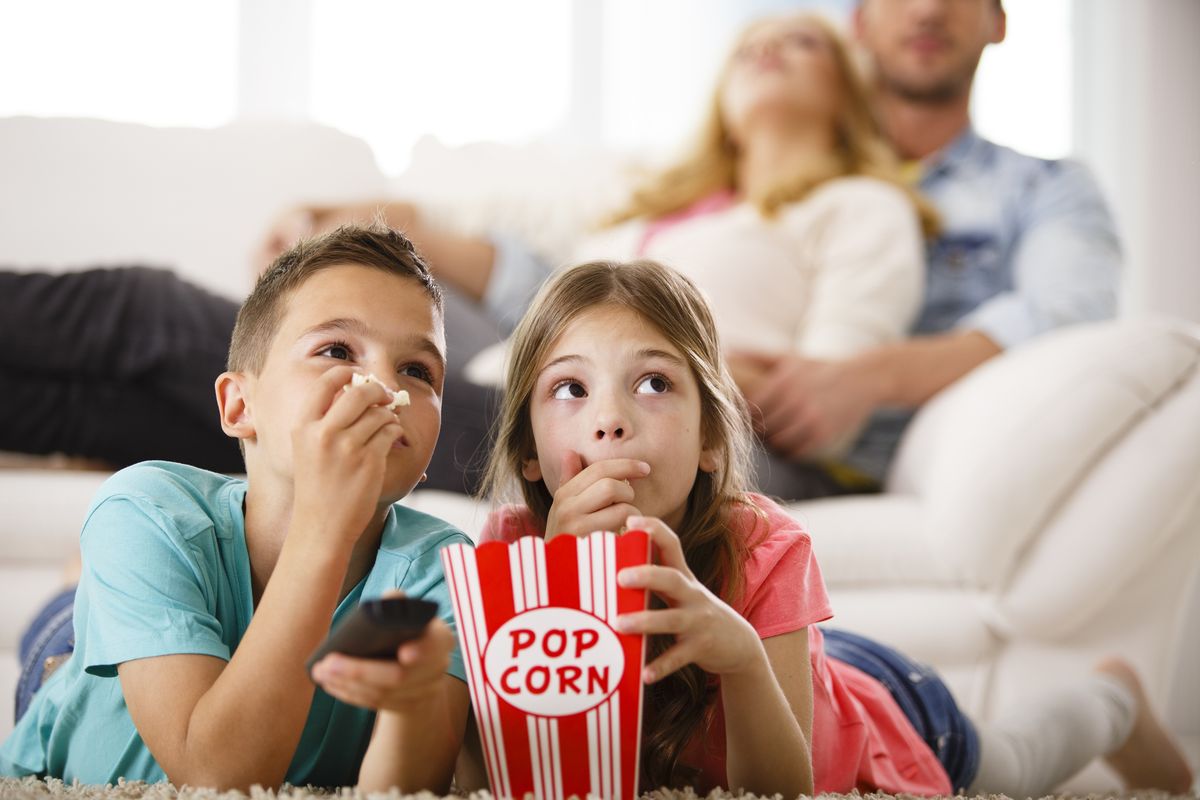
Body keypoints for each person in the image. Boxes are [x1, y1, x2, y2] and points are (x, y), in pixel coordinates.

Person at [1, 11, 930, 501]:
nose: (768, 50)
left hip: (609, 425)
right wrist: (355, 212)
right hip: (505, 382)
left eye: (800, 42)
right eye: (750, 44)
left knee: (148, 312)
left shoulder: (861, 208)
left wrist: (706, 379)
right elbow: (503, 234)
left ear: (845, 91)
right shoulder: (649, 211)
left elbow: (822, 399)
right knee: (109, 409)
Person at [469, 257, 1193, 796]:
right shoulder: (510, 551)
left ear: (710, 444)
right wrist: (559, 587)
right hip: (808, 654)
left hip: (868, 706)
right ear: (531, 455)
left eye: (654, 383)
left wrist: (743, 660)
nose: (610, 418)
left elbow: (784, 790)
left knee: (1009, 766)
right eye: (570, 389)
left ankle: (1113, 700)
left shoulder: (761, 544)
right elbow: (518, 767)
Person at [0, 225, 471, 793]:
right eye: (337, 351)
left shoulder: (442, 570)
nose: (380, 386)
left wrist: (413, 705)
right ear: (239, 406)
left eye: (417, 371)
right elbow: (214, 777)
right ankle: (75, 596)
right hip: (67, 678)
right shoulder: (146, 506)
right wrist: (326, 525)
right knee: (65, 632)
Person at [726, 0, 1122, 485]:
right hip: (740, 424)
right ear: (859, 25)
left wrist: (872, 377)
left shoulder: (1046, 187)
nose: (927, 8)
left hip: (896, 467)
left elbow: (1068, 316)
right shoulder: (777, 172)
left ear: (998, 22)